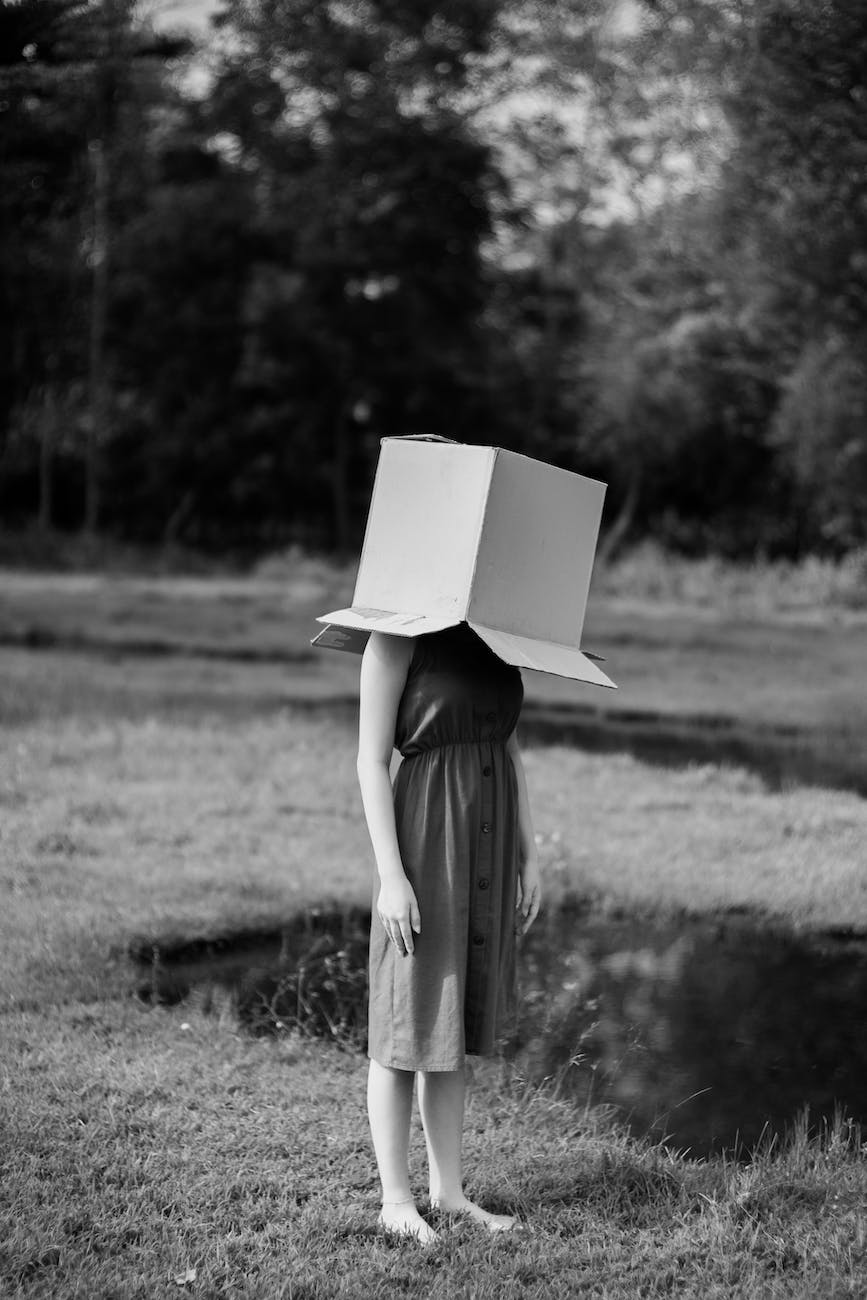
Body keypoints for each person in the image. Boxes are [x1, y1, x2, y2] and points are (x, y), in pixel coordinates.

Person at [356, 621, 541, 1244]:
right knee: (407, 1012)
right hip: (426, 839)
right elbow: (369, 761)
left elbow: (510, 750)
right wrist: (391, 876)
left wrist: (528, 855)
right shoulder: (394, 636)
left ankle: (450, 1192)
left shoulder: (498, 632)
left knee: (451, 1021)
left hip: (487, 840)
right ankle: (395, 1200)